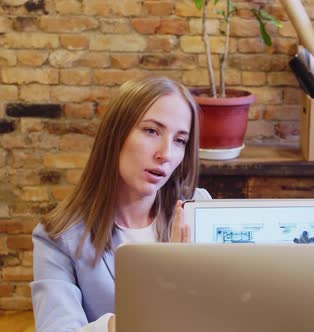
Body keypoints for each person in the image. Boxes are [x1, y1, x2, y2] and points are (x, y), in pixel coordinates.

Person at [31, 76, 211, 332]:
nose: (166, 154)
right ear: (115, 134)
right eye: (152, 131)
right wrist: (149, 305)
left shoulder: (198, 209)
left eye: (180, 140)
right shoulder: (58, 237)